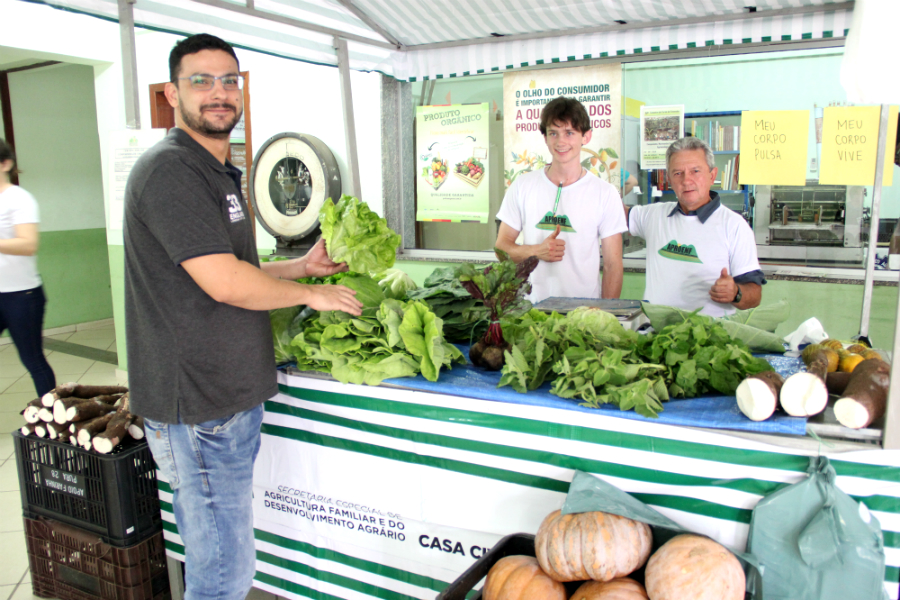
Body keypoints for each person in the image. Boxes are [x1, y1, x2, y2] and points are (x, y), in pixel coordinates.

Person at [123, 34, 362, 600]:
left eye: (229, 80)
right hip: (199, 406)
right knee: (224, 571)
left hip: (224, 401)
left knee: (225, 558)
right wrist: (315, 297)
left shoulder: (218, 172)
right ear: (170, 92)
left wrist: (302, 270)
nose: (219, 93)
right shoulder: (172, 172)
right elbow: (226, 284)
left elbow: (234, 268)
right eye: (200, 81)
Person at [495, 97, 627, 303]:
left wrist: (604, 315)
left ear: (586, 136)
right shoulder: (522, 186)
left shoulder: (605, 193)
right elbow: (501, 249)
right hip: (532, 314)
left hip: (584, 317)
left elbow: (613, 264)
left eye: (569, 133)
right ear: (545, 137)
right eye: (553, 133)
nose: (560, 141)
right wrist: (536, 251)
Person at [626, 137, 764, 317]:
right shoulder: (653, 215)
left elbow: (755, 295)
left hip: (708, 338)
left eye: (695, 171)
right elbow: (614, 211)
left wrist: (735, 293)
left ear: (712, 175)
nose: (686, 180)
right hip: (656, 335)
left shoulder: (734, 225)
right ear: (669, 179)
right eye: (678, 173)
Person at [0, 139, 56, 397]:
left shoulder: (19, 199)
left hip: (22, 296)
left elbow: (28, 244)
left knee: (32, 360)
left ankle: (56, 420)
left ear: (6, 164)